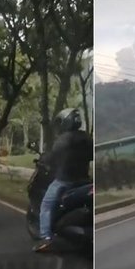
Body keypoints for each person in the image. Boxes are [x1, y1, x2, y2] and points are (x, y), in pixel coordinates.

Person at [33, 108, 93, 252]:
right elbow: (91, 155)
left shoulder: (63, 140)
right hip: (84, 180)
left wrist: (44, 161)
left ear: (66, 122)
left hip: (65, 181)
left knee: (46, 205)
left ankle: (46, 238)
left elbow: (52, 158)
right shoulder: (86, 138)